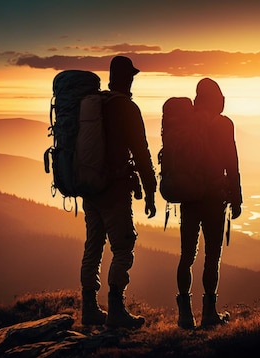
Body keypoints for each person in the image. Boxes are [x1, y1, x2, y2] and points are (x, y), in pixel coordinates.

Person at [80, 56, 157, 328]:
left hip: (91, 189)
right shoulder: (127, 108)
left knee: (94, 246)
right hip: (115, 190)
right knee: (123, 248)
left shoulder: (96, 104)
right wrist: (150, 189)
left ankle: (89, 308)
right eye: (132, 76)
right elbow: (142, 152)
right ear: (128, 78)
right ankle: (116, 310)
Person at [176, 78, 243, 329]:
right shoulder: (223, 124)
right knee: (211, 256)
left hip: (189, 196)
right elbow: (232, 164)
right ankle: (209, 313)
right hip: (214, 197)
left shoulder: (185, 123)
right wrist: (236, 198)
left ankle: (184, 315)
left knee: (187, 256)